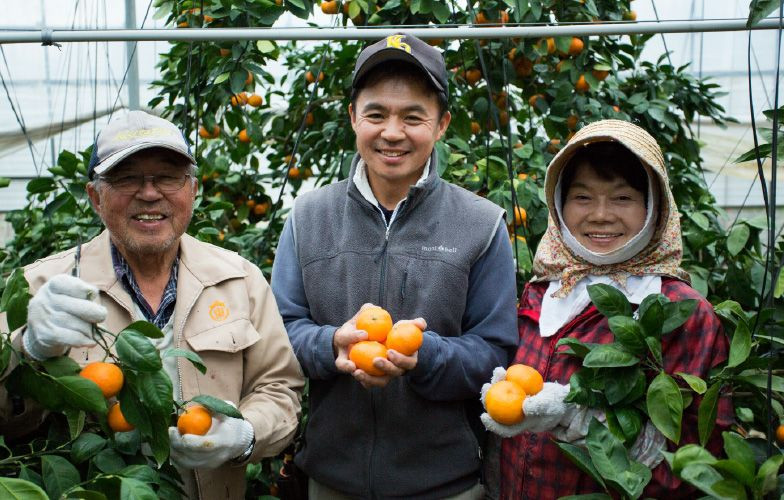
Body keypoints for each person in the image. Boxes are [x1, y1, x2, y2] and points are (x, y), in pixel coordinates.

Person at [0, 111, 304, 500]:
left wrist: (245, 433)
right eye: (127, 177)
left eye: (168, 177)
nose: (150, 193)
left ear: (192, 190)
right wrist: (29, 350)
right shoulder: (44, 286)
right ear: (95, 197)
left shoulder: (240, 281)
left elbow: (278, 388)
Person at [271, 34, 518, 498]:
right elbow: (279, 331)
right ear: (353, 118)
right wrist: (330, 346)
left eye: (413, 117)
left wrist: (425, 356)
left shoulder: (481, 225)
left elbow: (494, 353)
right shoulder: (308, 218)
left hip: (446, 485)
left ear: (441, 124)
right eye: (376, 113)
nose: (392, 132)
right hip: (331, 480)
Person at [481, 119, 732, 498]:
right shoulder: (543, 290)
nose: (600, 215)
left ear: (654, 207)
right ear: (559, 204)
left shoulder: (679, 311)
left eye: (622, 198)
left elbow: (697, 462)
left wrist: (581, 421)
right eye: (582, 197)